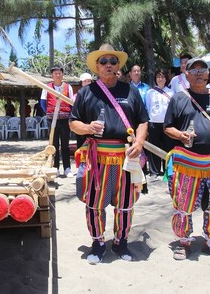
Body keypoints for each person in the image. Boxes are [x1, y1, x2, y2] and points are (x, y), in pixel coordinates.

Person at [70, 43, 149, 264]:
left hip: (126, 157)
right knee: (94, 204)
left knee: (125, 204)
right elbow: (73, 123)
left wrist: (140, 142)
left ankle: (121, 243)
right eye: (103, 61)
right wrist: (87, 128)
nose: (108, 65)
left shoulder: (130, 90)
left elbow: (143, 120)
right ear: (96, 66)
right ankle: (98, 243)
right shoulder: (86, 92)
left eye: (112, 61)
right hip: (97, 158)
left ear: (118, 65)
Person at [164, 58, 210, 261]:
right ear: (186, 75)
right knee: (183, 203)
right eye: (192, 70)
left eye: (202, 69)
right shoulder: (178, 98)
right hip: (186, 161)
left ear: (209, 74)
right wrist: (180, 135)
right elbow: (167, 127)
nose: (198, 73)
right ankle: (184, 242)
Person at [40, 65, 74, 177]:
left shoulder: (68, 87)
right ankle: (55, 168)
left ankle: (67, 168)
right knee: (54, 144)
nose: (58, 75)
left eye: (59, 73)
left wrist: (69, 116)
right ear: (52, 75)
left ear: (62, 74)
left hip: (64, 120)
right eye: (55, 73)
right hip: (52, 120)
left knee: (65, 144)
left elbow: (71, 103)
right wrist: (49, 113)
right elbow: (43, 103)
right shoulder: (47, 87)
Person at [145, 69, 174, 179]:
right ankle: (154, 171)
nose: (160, 79)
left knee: (168, 147)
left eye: (162, 77)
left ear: (166, 78)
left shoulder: (171, 92)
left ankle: (168, 171)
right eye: (158, 77)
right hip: (154, 123)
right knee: (154, 148)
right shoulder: (150, 92)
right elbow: (148, 107)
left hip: (166, 124)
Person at [75, 72, 93, 149]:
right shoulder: (76, 95)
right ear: (81, 82)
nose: (87, 83)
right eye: (85, 81)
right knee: (81, 145)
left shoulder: (95, 94)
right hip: (81, 123)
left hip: (92, 123)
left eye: (89, 81)